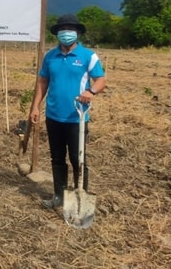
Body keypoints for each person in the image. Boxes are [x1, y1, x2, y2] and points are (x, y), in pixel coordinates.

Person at [29, 14, 107, 209]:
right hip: (54, 115)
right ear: (57, 34)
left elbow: (100, 80)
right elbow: (43, 82)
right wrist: (35, 106)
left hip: (76, 118)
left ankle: (81, 196)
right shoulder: (50, 57)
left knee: (77, 158)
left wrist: (91, 91)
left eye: (70, 29)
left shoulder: (88, 56)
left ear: (78, 33)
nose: (66, 33)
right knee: (57, 157)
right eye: (62, 29)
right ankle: (59, 195)